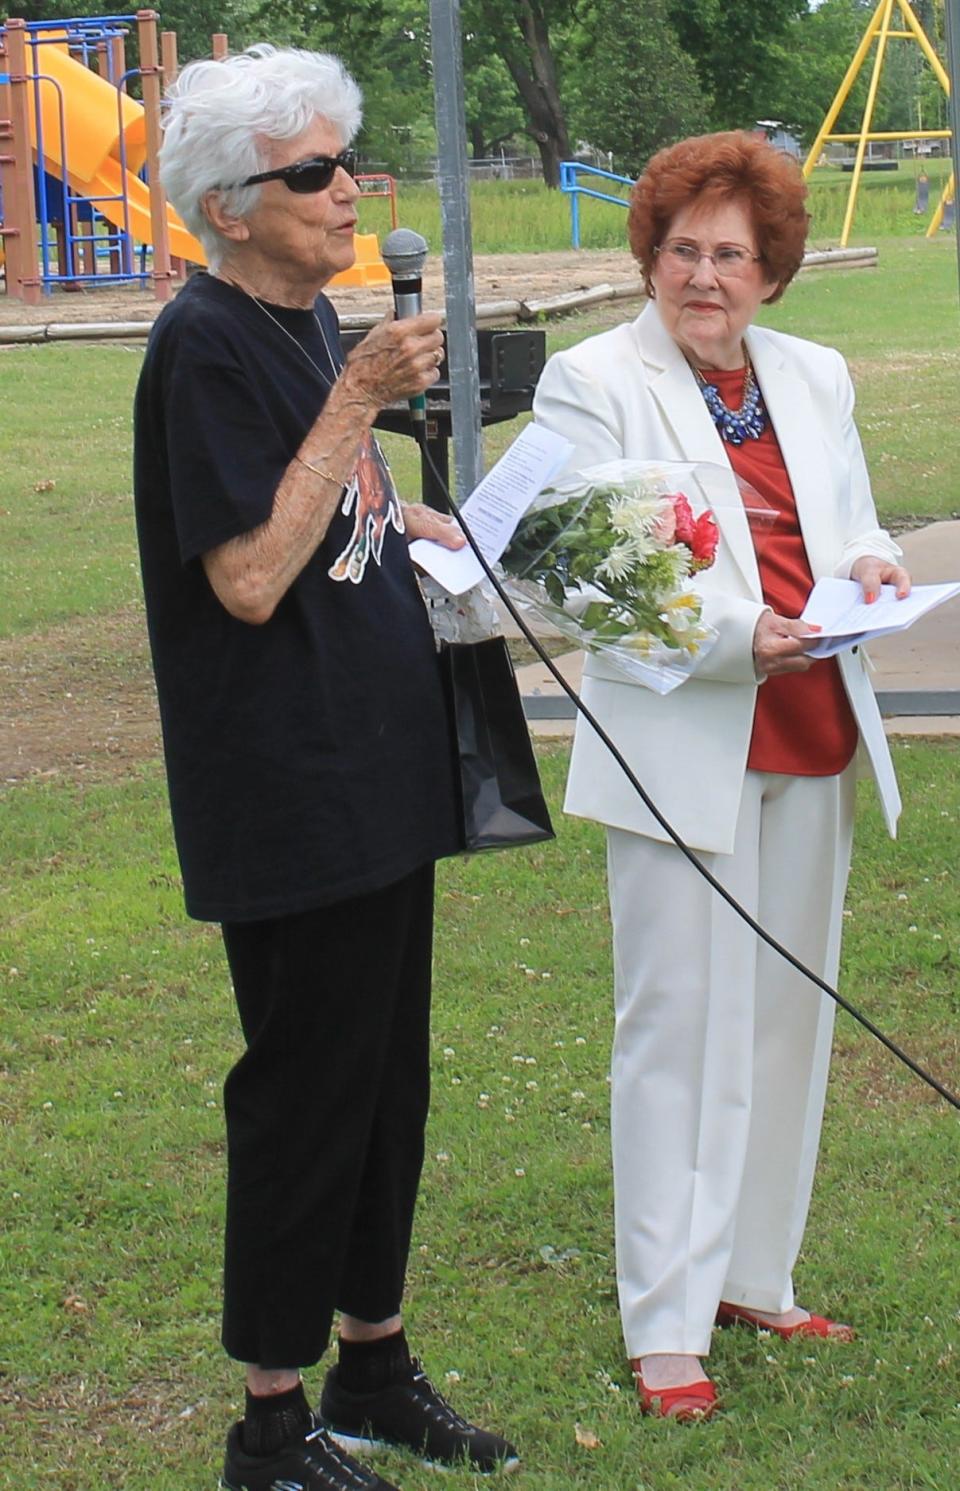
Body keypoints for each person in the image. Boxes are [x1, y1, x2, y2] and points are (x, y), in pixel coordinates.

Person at [133, 44, 518, 1491]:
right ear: (232, 207)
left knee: (384, 1089)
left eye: (347, 163)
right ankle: (270, 1423)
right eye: (314, 175)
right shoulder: (208, 347)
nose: (349, 191)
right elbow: (243, 577)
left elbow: (331, 530)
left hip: (383, 771)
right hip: (288, 794)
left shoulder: (308, 320)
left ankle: (375, 1365)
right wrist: (357, 400)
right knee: (305, 1097)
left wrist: (405, 526)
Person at [533, 131, 910, 1421]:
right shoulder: (592, 379)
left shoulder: (813, 374)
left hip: (816, 731)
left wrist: (867, 567)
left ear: (772, 270)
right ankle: (665, 1326)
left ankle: (757, 1273)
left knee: (788, 1022)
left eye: (733, 255)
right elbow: (581, 570)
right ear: (650, 254)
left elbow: (848, 516)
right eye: (684, 250)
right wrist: (731, 636)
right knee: (680, 1033)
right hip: (681, 745)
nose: (706, 276)